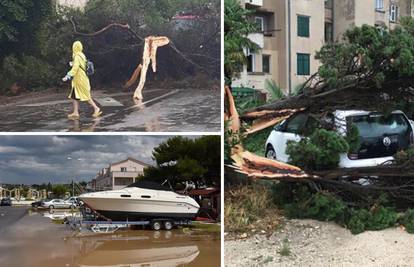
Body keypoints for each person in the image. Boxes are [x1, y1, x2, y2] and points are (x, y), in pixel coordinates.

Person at [62, 41, 102, 120]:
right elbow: (79, 65)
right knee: (74, 96)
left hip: (80, 80)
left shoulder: (77, 56)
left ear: (74, 47)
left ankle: (96, 108)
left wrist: (68, 75)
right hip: (79, 79)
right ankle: (76, 112)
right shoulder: (82, 55)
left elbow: (76, 68)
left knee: (86, 96)